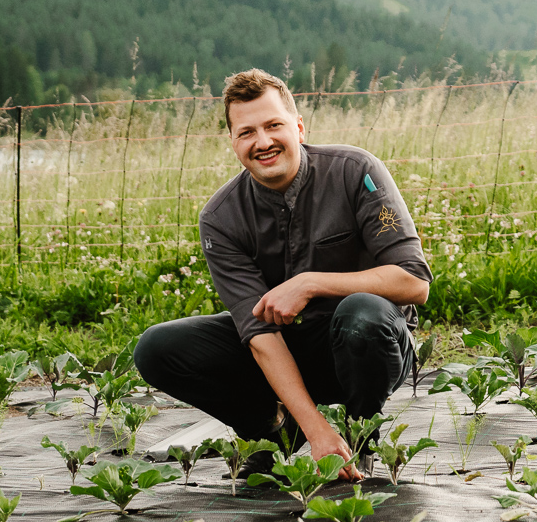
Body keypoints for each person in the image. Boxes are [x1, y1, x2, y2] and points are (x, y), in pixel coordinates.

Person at [133, 68, 431, 477]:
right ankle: (274, 430)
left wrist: (310, 283)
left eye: (274, 125)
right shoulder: (221, 218)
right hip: (285, 353)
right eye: (247, 132)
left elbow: (414, 282)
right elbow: (259, 335)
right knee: (157, 348)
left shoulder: (355, 171)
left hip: (367, 346)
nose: (263, 142)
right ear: (234, 143)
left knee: (362, 312)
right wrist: (316, 428)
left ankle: (361, 435)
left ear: (299, 127)